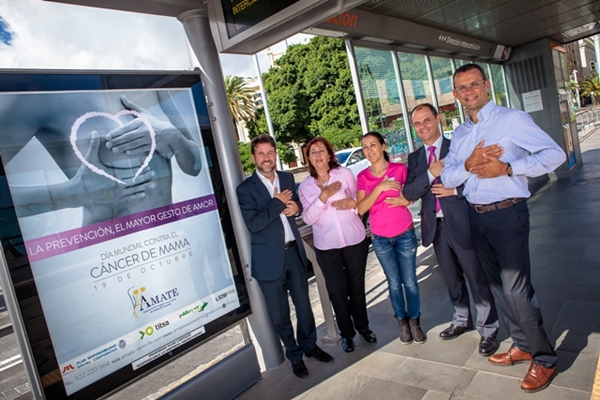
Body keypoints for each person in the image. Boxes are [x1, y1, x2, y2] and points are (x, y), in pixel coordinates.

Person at [441, 64, 566, 393]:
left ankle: (545, 358)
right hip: (475, 216)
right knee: (497, 287)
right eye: (462, 88)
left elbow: (555, 154)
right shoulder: (460, 134)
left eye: (474, 84)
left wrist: (509, 167)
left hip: (508, 214)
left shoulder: (512, 119)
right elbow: (449, 177)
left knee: (516, 289)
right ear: (455, 95)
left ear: (485, 85)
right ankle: (522, 344)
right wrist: (468, 164)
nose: (469, 91)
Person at [0, 90, 202, 227]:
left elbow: (196, 166)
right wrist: (70, 194)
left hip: (170, 237)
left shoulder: (153, 88)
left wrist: (173, 136)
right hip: (106, 254)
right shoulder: (36, 96)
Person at [403, 103, 500, 357]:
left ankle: (488, 328)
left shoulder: (457, 146)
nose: (423, 126)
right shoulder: (414, 159)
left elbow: (478, 176)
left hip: (463, 220)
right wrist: (429, 172)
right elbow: (410, 192)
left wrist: (455, 190)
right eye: (417, 123)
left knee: (475, 275)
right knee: (451, 276)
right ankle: (461, 318)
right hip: (436, 227)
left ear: (438, 119)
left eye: (427, 120)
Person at [236, 134, 333, 379]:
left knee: (304, 309)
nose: (267, 158)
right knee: (280, 316)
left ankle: (310, 346)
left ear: (275, 154)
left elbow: (298, 203)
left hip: (294, 254)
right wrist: (277, 203)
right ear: (253, 157)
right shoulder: (246, 189)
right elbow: (254, 224)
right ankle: (294, 355)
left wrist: (296, 207)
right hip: (269, 262)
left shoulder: (287, 178)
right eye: (261, 153)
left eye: (270, 152)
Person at [298, 137, 375, 353]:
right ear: (309, 159)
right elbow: (307, 218)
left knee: (356, 288)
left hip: (354, 240)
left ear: (330, 154)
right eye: (313, 152)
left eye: (322, 150)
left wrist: (353, 205)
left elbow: (359, 203)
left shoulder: (345, 174)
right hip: (326, 246)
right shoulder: (305, 186)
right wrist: (323, 196)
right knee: (337, 292)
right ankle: (347, 334)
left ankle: (364, 327)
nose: (318, 155)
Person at [356, 132, 425, 345]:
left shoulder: (399, 169)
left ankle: (414, 321)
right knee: (394, 284)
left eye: (373, 145)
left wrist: (407, 200)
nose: (369, 150)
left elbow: (415, 190)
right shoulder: (363, 177)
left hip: (404, 233)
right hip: (380, 238)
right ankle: (402, 322)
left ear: (383, 146)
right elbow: (360, 208)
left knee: (410, 282)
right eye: (365, 147)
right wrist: (379, 188)